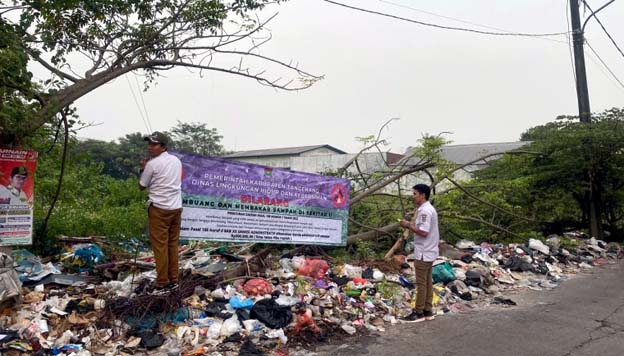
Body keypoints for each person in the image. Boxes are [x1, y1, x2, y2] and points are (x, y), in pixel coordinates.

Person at [139, 131, 183, 292]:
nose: (150, 147)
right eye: (149, 144)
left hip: (159, 209)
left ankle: (162, 282)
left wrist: (142, 169)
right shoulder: (176, 161)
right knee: (172, 245)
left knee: (160, 247)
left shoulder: (151, 164)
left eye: (154, 144)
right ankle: (174, 278)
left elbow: (142, 185)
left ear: (163, 147)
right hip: (176, 208)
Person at [399, 184, 439, 323]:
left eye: (415, 193)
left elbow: (423, 231)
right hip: (430, 251)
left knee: (421, 283)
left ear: (422, 195)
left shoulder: (425, 212)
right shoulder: (427, 209)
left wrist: (408, 225)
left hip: (424, 252)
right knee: (428, 282)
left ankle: (419, 312)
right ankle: (428, 310)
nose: (413, 196)